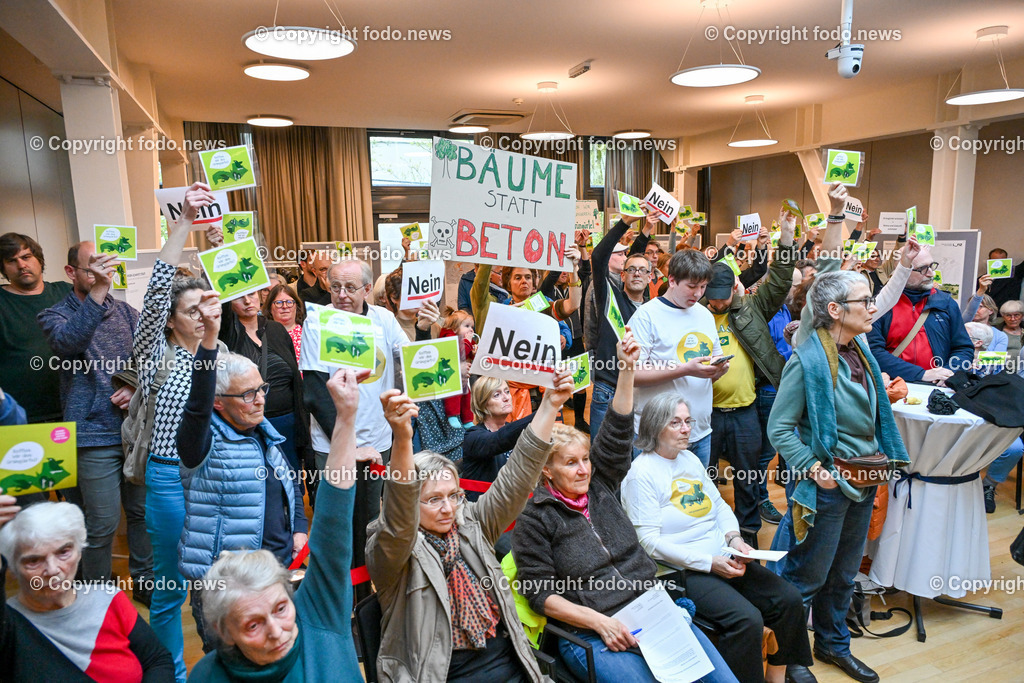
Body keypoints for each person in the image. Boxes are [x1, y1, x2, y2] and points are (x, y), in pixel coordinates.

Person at [513, 330, 737, 683]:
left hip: (652, 609)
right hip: (592, 629)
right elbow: (542, 596)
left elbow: (617, 430)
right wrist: (601, 622)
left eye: (586, 459)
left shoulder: (601, 485)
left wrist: (627, 368)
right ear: (547, 471)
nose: (584, 469)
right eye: (571, 463)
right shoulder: (536, 519)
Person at [366, 367, 575, 683]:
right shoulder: (393, 555)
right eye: (434, 499)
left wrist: (550, 405)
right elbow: (399, 522)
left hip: (515, 666)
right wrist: (402, 437)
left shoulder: (470, 525)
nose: (449, 508)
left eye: (454, 495)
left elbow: (516, 478)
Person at [768, 271, 910, 683]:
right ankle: (790, 657)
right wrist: (815, 469)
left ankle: (833, 645)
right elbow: (779, 428)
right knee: (806, 576)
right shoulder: (807, 360)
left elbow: (853, 295)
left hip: (864, 481)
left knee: (844, 574)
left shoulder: (859, 347)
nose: (872, 308)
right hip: (826, 488)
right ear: (834, 311)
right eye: (864, 301)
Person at [187, 367, 364, 682]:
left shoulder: (319, 612)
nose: (277, 631)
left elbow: (332, 521)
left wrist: (346, 416)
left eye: (282, 608)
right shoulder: (205, 676)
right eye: (252, 625)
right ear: (223, 631)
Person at [623, 392, 814, 683]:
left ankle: (777, 677)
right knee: (746, 619)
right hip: (683, 571)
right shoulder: (641, 475)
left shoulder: (688, 459)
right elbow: (649, 543)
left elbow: (720, 506)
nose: (687, 428)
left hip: (722, 554)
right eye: (676, 423)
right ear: (654, 427)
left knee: (787, 598)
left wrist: (735, 539)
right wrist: (708, 562)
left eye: (688, 421)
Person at [176, 294, 308, 650]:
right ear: (219, 403)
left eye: (261, 389)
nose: (260, 400)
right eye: (248, 395)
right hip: (227, 582)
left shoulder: (263, 430)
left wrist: (298, 528)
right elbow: (197, 406)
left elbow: (288, 484)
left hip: (276, 572)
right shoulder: (200, 441)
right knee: (231, 659)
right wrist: (209, 338)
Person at [132, 181, 222, 682]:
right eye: (190, 310)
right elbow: (157, 289)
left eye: (205, 308)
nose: (201, 315)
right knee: (168, 590)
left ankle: (222, 668)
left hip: (214, 482)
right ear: (168, 323)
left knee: (217, 585)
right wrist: (184, 222)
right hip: (169, 480)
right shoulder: (155, 356)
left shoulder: (219, 357)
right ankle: (173, 675)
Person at [38, 242, 152, 594]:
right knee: (100, 523)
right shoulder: (54, 315)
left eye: (106, 267)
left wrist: (134, 387)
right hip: (91, 436)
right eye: (92, 268)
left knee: (141, 515)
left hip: (133, 432)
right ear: (71, 273)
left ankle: (146, 583)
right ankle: (97, 595)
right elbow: (70, 343)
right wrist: (100, 291)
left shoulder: (128, 313)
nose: (102, 274)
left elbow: (148, 357)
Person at [298, 258, 400, 600]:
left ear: (368, 290)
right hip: (333, 445)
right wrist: (349, 444)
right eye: (335, 287)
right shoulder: (318, 322)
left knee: (369, 524)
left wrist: (429, 330)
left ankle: (365, 603)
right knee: (337, 528)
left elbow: (408, 362)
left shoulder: (385, 319)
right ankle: (338, 604)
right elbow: (314, 392)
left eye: (350, 287)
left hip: (378, 442)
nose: (341, 295)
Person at [0, 498, 174, 681]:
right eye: (33, 561)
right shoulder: (10, 624)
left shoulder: (107, 598)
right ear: (12, 567)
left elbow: (157, 661)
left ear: (80, 551)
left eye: (63, 552)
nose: (52, 570)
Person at [704, 208, 798, 547]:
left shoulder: (751, 310)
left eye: (723, 296)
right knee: (704, 480)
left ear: (735, 289)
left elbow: (780, 280)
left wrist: (786, 238)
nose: (717, 302)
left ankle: (749, 540)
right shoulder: (695, 316)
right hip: (706, 416)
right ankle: (711, 542)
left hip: (745, 412)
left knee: (747, 480)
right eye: (711, 296)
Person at [630, 249, 729, 467]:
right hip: (658, 434)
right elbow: (632, 375)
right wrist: (685, 369)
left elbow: (714, 357)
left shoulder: (704, 314)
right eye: (692, 286)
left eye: (703, 287)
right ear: (672, 280)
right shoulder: (647, 316)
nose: (698, 294)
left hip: (700, 430)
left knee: (694, 499)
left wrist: (717, 370)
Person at [218, 290, 309, 475]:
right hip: (249, 425)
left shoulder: (276, 330)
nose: (246, 301)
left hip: (288, 423)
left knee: (292, 482)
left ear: (260, 296)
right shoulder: (228, 333)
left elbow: (294, 378)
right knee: (259, 482)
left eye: (251, 294)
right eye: (238, 296)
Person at [0, 233, 72, 446]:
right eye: (12, 261)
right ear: (3, 269)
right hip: (20, 419)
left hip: (74, 412)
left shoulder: (66, 292)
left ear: (39, 260)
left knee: (76, 478)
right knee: (32, 479)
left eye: (26, 256)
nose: (21, 265)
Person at [590, 214, 657, 438]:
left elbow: (637, 260)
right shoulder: (610, 298)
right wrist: (625, 222)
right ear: (623, 274)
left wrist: (647, 229)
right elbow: (598, 258)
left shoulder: (653, 312)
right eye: (631, 270)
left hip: (642, 396)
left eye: (642, 270)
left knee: (637, 460)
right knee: (603, 460)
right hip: (608, 391)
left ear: (651, 277)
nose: (637, 273)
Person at [867, 247, 974, 385]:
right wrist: (921, 374)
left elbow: (963, 348)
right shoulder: (881, 305)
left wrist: (949, 373)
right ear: (901, 271)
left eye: (931, 266)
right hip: (895, 386)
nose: (931, 273)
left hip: (939, 386)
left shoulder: (946, 303)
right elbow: (873, 352)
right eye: (922, 269)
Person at [460, 377, 536, 502]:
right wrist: (545, 409)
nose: (506, 398)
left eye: (507, 391)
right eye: (497, 395)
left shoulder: (512, 430)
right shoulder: (473, 436)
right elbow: (499, 439)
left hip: (514, 507)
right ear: (483, 404)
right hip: (483, 513)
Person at [261, 283, 305, 365]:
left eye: (289, 302)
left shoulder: (308, 332)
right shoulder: (263, 336)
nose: (285, 306)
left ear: (296, 306)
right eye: (279, 303)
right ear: (270, 308)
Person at [996, 300, 1024, 366]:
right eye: (1008, 315)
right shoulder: (996, 332)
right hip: (1003, 370)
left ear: (1022, 316)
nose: (1013, 319)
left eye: (1016, 315)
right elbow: (987, 357)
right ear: (1003, 317)